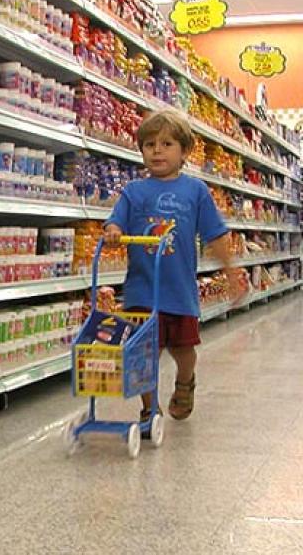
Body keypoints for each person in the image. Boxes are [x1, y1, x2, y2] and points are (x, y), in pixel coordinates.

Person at [103, 110, 243, 421]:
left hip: (180, 291)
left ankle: (185, 381)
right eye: (149, 144)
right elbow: (116, 219)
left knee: (183, 349)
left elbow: (215, 234)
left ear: (185, 152)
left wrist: (230, 271)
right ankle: (148, 408)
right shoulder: (133, 191)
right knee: (142, 354)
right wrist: (112, 230)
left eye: (167, 144)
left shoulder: (195, 191)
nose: (157, 150)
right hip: (140, 290)